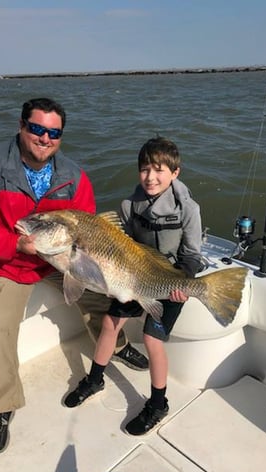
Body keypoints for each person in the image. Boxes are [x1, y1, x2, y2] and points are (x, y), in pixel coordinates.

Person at [0, 97, 148, 455]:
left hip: (60, 262)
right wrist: (13, 245)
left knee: (99, 299)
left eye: (53, 132)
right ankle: (2, 406)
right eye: (37, 129)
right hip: (9, 262)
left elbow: (88, 229)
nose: (44, 138)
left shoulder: (74, 176)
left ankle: (117, 346)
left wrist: (102, 271)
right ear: (22, 126)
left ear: (60, 136)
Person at [64, 136, 205, 436]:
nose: (150, 177)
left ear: (175, 173)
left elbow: (193, 255)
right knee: (109, 322)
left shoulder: (189, 209)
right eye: (144, 170)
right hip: (134, 277)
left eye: (159, 170)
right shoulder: (129, 205)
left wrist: (183, 281)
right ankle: (95, 379)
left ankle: (158, 404)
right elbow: (120, 245)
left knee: (152, 340)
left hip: (170, 282)